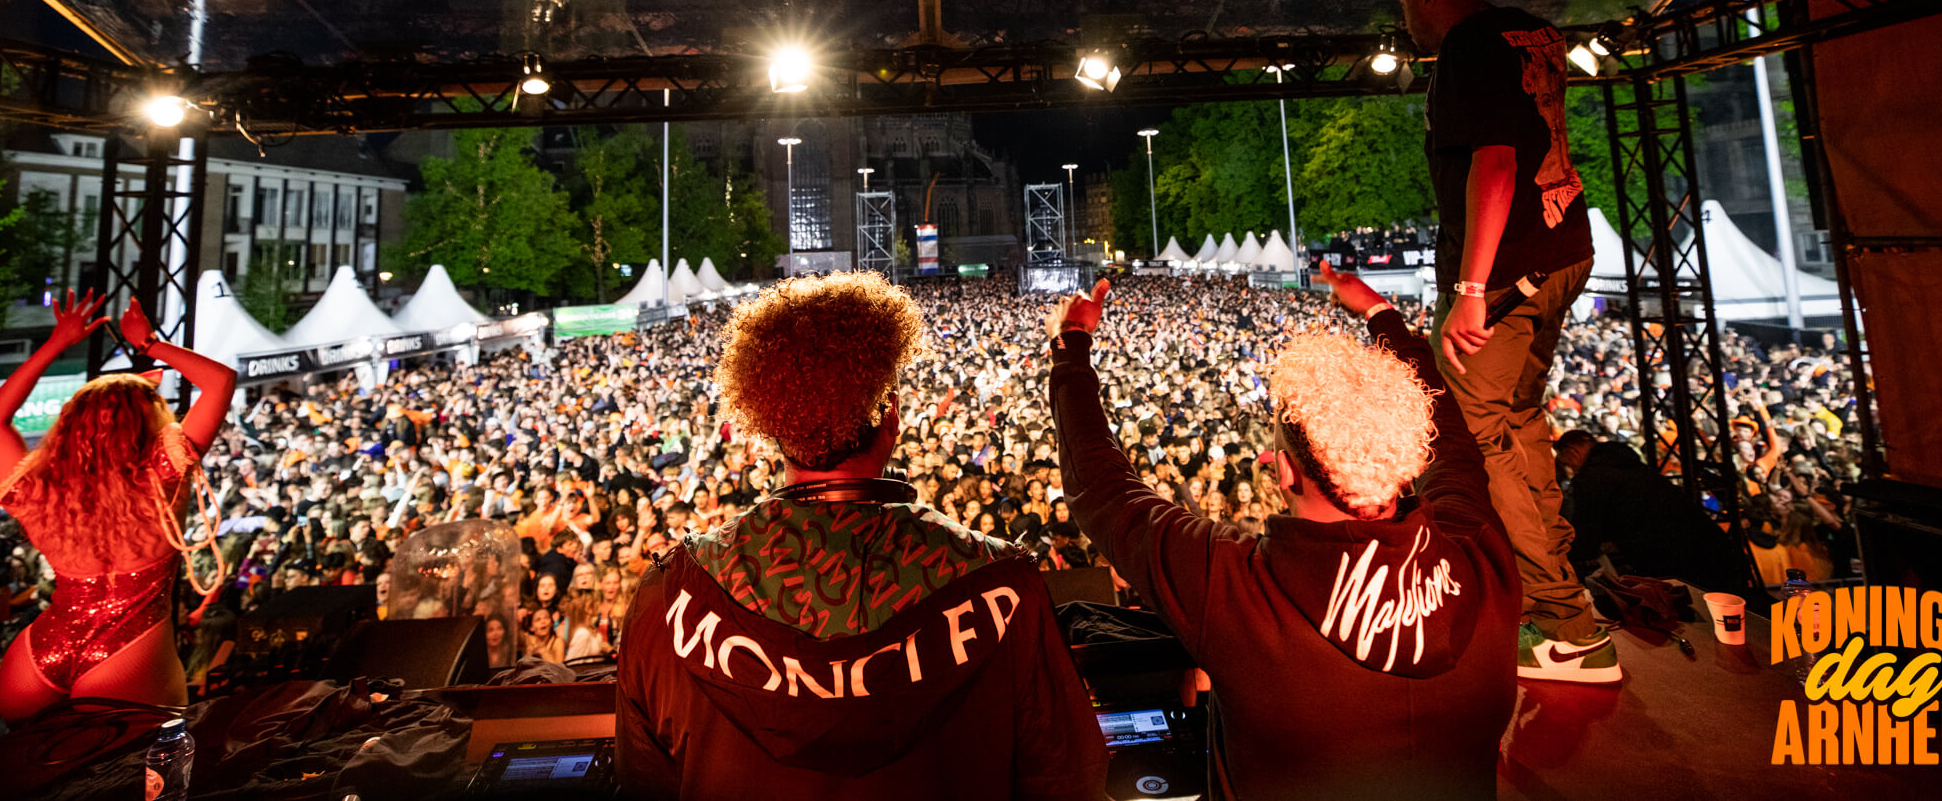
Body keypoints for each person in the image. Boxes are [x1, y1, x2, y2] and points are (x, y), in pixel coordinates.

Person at [615, 271, 1106, 800]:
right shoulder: (1003, 587)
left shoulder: (669, 598)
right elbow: (1066, 780)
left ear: (770, 423)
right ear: (890, 417)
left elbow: (643, 783)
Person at [1047, 271, 1521, 801]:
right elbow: (1453, 439)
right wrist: (1381, 316)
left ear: (1285, 474)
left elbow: (1103, 491)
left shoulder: (1234, 589)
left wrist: (1072, 348)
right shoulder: (1482, 552)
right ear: (1412, 452)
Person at [1397, 0, 1616, 682]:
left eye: (1405, 1)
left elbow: (1494, 161)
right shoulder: (1531, 30)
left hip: (1504, 272)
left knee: (1477, 433)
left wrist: (1468, 291)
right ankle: (1550, 592)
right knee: (1521, 426)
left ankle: (1567, 626)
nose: (1405, 21)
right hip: (1563, 247)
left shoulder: (1464, 47)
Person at [0, 293, 237, 724]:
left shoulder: (39, 491)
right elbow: (219, 381)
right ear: (150, 421)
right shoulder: (163, 476)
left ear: (69, 426)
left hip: (38, 655)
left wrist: (55, 344)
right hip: (128, 654)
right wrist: (149, 344)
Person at [1553, 431, 1753, 603]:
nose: (1570, 469)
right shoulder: (1630, 466)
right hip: (1711, 548)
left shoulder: (1594, 478)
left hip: (1676, 560)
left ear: (1572, 453)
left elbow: (1588, 533)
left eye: (1566, 462)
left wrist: (1563, 557)